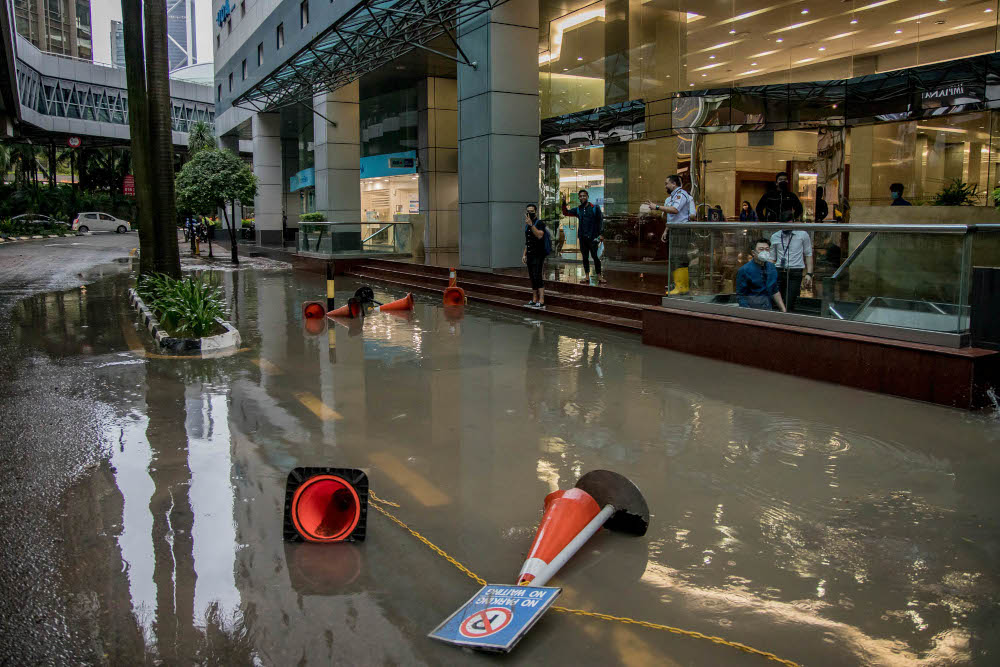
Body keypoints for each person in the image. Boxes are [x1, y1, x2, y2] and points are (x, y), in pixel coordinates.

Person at [646, 174, 696, 295]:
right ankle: (678, 284)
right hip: (673, 229)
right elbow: (671, 217)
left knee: (680, 257)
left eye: (666, 183)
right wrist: (666, 230)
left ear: (674, 184)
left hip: (681, 230)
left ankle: (682, 286)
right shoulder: (672, 197)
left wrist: (657, 207)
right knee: (674, 258)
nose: (665, 186)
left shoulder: (681, 194)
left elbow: (675, 210)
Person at [561, 189, 605, 284]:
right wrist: (563, 202)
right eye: (580, 196)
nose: (582, 197)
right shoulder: (578, 209)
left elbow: (600, 220)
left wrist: (601, 234)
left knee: (595, 257)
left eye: (584, 195)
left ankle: (599, 276)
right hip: (582, 238)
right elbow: (566, 213)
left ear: (587, 196)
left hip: (593, 238)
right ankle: (587, 276)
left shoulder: (594, 208)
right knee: (585, 258)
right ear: (579, 198)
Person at [769, 226, 813, 313]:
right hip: (779, 270)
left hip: (795, 271)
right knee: (776, 301)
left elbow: (808, 254)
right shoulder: (775, 236)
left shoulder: (802, 234)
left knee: (790, 301)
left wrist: (809, 274)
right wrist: (769, 273)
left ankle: (788, 321)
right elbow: (772, 257)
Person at [736, 239, 786, 311]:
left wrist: (783, 310)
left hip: (768, 307)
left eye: (767, 249)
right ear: (753, 253)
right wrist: (747, 313)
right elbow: (741, 296)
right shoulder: (744, 270)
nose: (764, 252)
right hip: (752, 309)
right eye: (761, 249)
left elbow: (775, 291)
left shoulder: (772, 267)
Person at [522, 203, 548, 309]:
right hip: (530, 254)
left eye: (532, 211)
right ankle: (534, 299)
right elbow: (527, 242)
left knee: (538, 275)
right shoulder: (527, 224)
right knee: (532, 276)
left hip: (539, 254)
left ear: (536, 212)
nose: (529, 213)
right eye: (528, 211)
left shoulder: (539, 223)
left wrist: (531, 225)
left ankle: (541, 300)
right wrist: (524, 254)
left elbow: (539, 235)